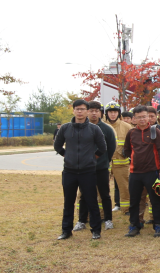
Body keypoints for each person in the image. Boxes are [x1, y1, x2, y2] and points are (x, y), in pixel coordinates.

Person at [54, 99, 107, 240]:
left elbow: (103, 148)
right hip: (69, 171)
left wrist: (91, 157)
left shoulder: (94, 129)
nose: (80, 111)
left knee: (91, 201)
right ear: (73, 111)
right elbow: (57, 146)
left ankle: (96, 230)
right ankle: (66, 231)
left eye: (83, 109)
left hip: (88, 171)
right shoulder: (65, 128)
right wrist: (67, 155)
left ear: (87, 111)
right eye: (77, 109)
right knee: (68, 202)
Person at [121, 105, 160, 237]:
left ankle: (158, 226)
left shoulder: (155, 131)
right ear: (134, 119)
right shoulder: (131, 133)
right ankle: (134, 226)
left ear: (148, 117)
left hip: (151, 172)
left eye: (144, 116)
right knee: (134, 201)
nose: (142, 119)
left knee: (155, 200)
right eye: (138, 117)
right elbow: (126, 150)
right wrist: (135, 159)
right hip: (135, 173)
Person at [73, 101, 117, 232]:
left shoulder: (107, 129)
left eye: (96, 111)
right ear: (87, 112)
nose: (93, 113)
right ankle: (81, 221)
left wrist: (104, 160)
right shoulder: (79, 127)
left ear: (101, 113)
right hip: (84, 169)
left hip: (101, 167)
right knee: (84, 195)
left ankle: (108, 220)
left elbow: (111, 147)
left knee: (105, 194)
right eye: (91, 110)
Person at [103, 102, 133, 214]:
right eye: (110, 112)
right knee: (102, 188)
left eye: (115, 112)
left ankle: (126, 209)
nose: (112, 114)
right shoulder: (102, 126)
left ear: (118, 113)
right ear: (106, 113)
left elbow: (132, 143)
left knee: (125, 187)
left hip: (122, 162)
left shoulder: (126, 126)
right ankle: (103, 211)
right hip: (105, 162)